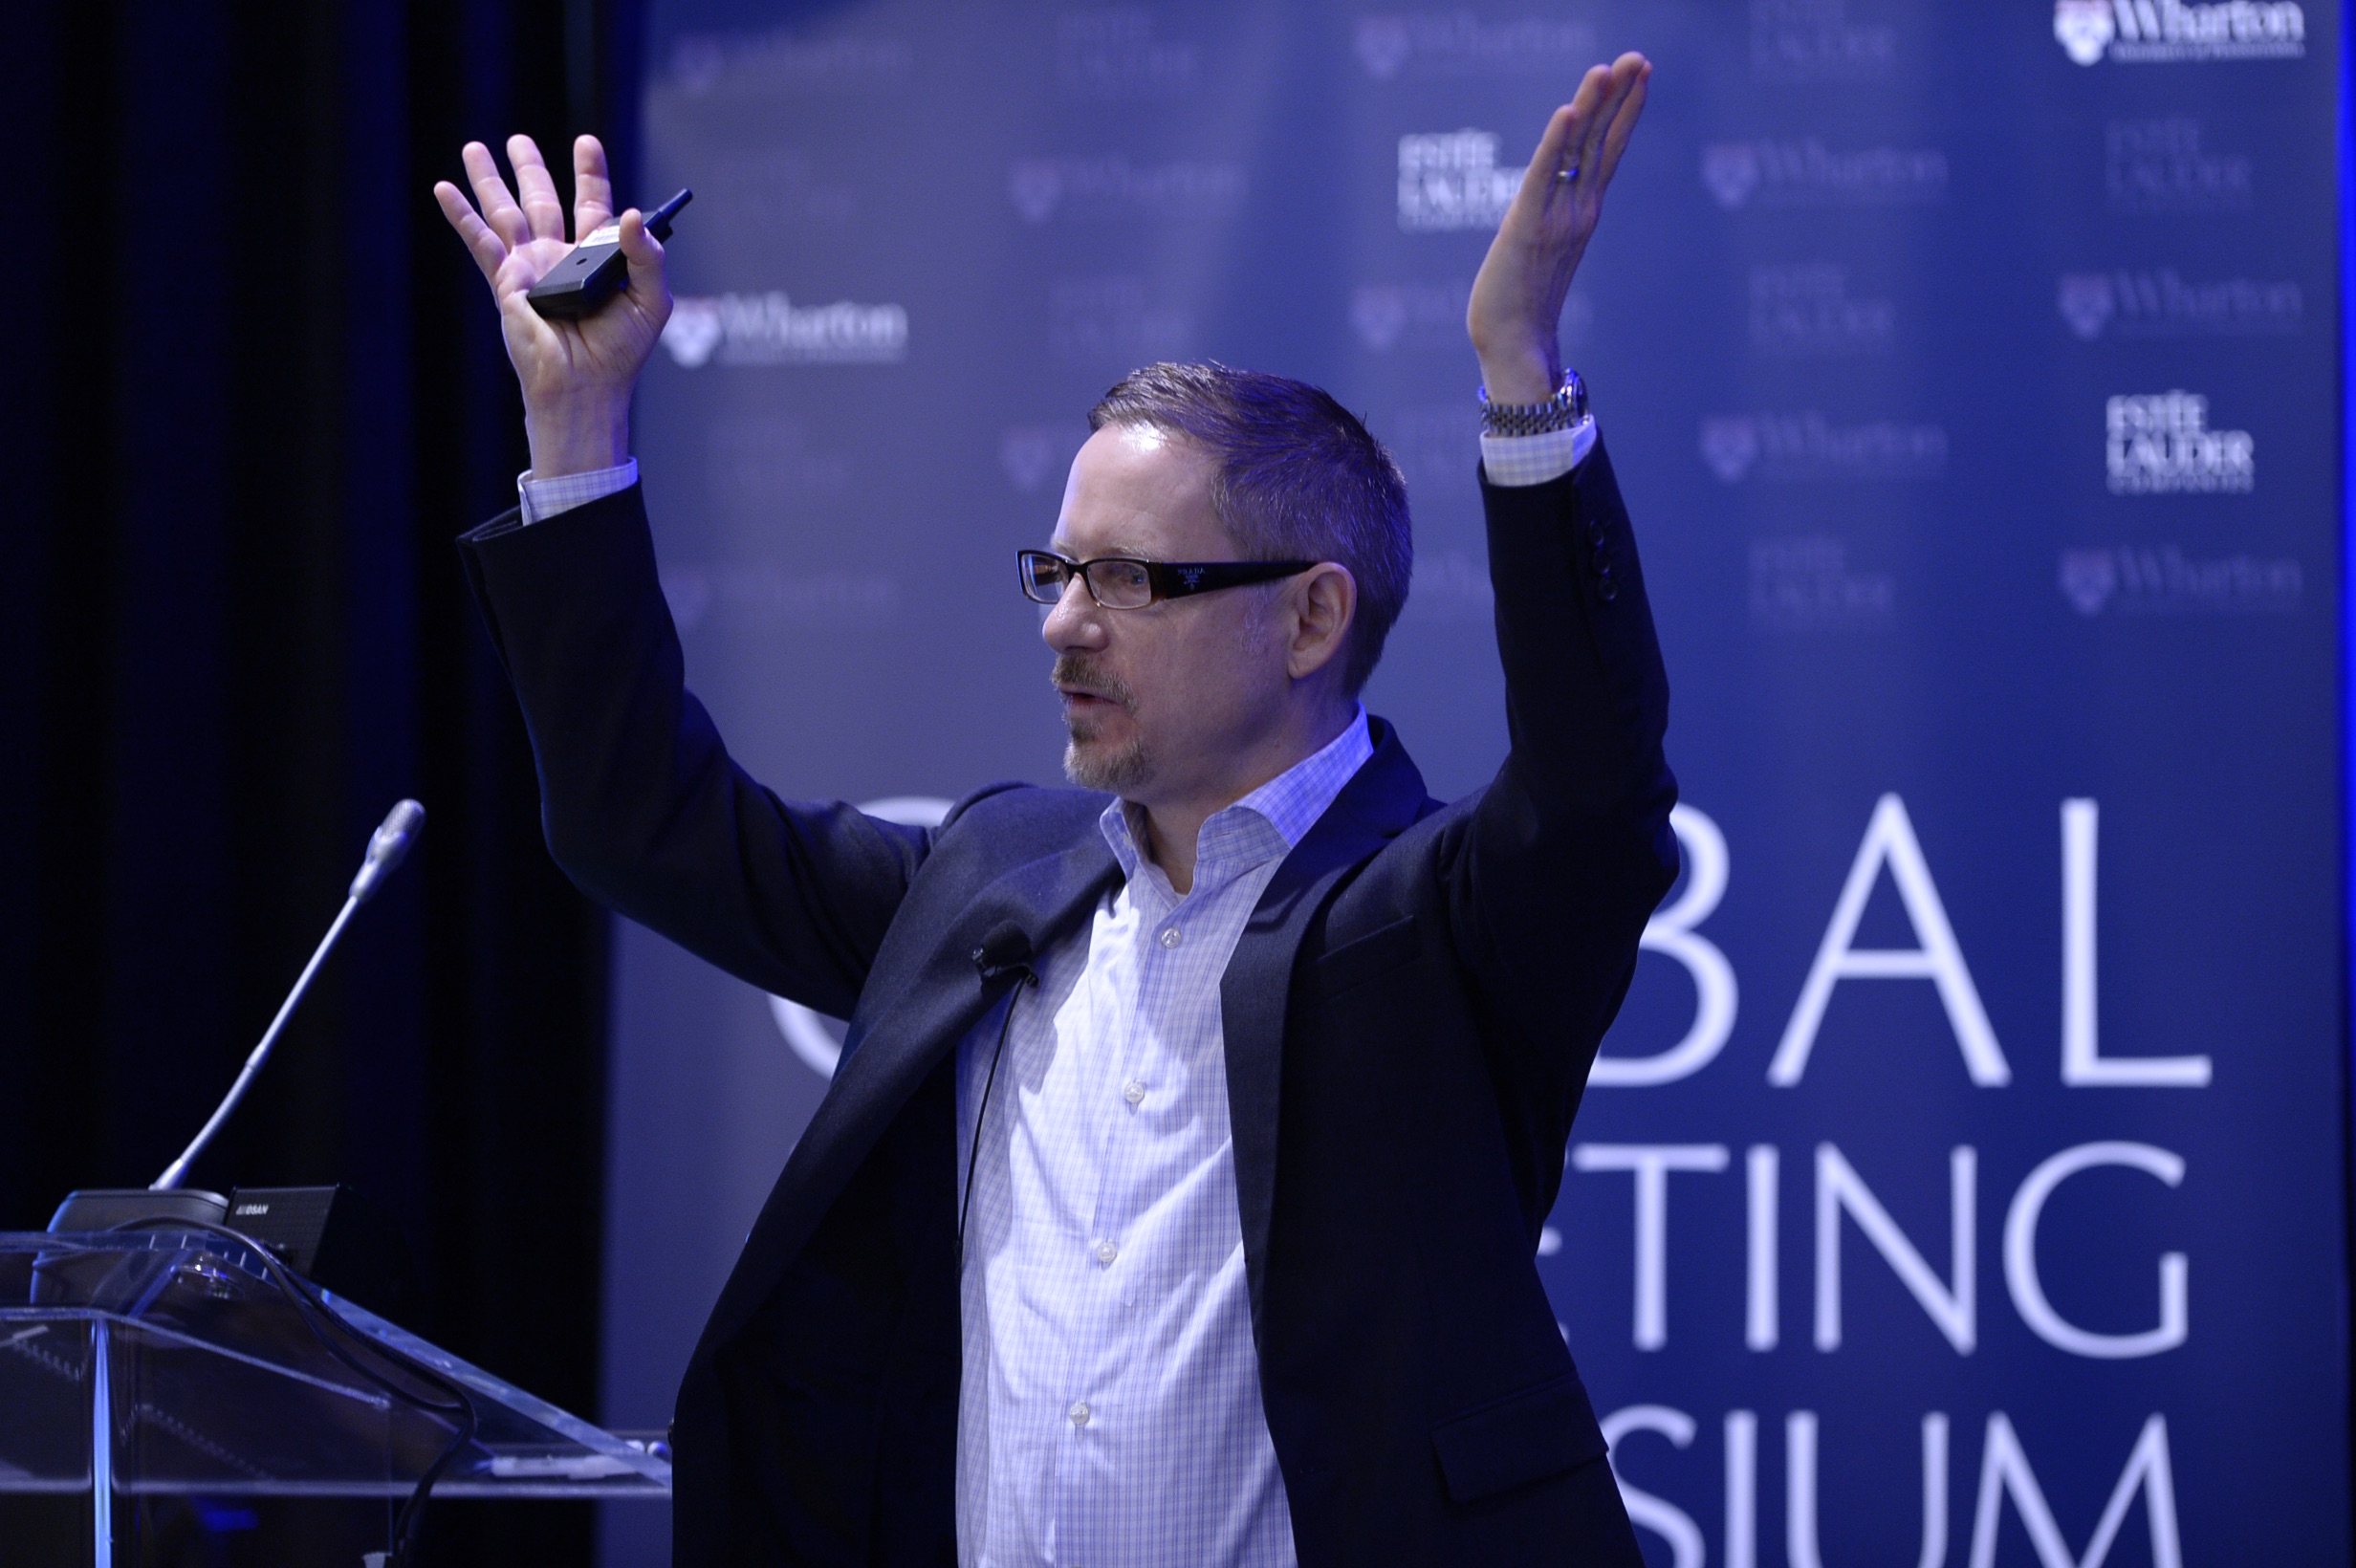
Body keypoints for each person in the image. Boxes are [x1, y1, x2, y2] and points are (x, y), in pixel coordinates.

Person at [438, 53, 1669, 1568]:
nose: (1063, 626)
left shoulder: (1435, 921)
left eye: (1130, 581)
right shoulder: (992, 878)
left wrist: (1520, 376)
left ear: (1308, 619)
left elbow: (1596, 790)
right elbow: (645, 823)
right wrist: (578, 429)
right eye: (1059, 572)